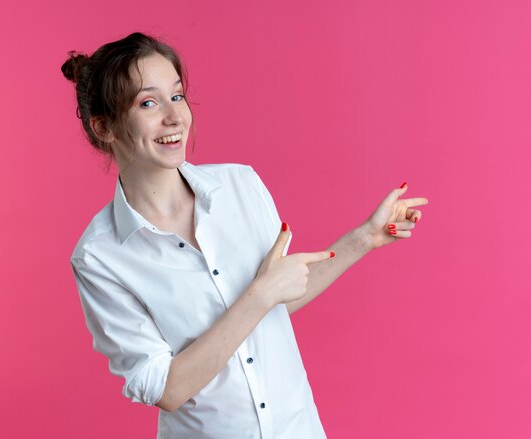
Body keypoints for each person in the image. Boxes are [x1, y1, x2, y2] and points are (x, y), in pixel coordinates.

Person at [63, 32, 428, 439]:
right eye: (149, 103)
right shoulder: (100, 257)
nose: (175, 117)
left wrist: (366, 237)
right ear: (104, 127)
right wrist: (260, 294)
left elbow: (278, 299)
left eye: (178, 96)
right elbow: (167, 388)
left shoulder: (240, 185)